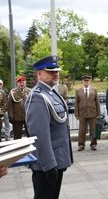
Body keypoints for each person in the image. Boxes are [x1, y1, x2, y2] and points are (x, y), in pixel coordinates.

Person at [24, 55, 73, 199]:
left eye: (57, 71)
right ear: (39, 74)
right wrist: (49, 165)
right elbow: (40, 136)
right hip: (47, 165)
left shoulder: (51, 92)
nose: (56, 74)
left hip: (56, 160)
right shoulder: (38, 97)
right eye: (51, 71)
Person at [74, 75, 101, 151]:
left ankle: (93, 144)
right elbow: (76, 103)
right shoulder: (78, 91)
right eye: (84, 81)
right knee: (82, 130)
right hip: (82, 114)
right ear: (82, 81)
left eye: (87, 81)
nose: (86, 82)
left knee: (93, 130)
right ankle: (81, 145)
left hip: (93, 113)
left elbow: (97, 102)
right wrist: (76, 113)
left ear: (90, 81)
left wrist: (98, 113)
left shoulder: (94, 90)